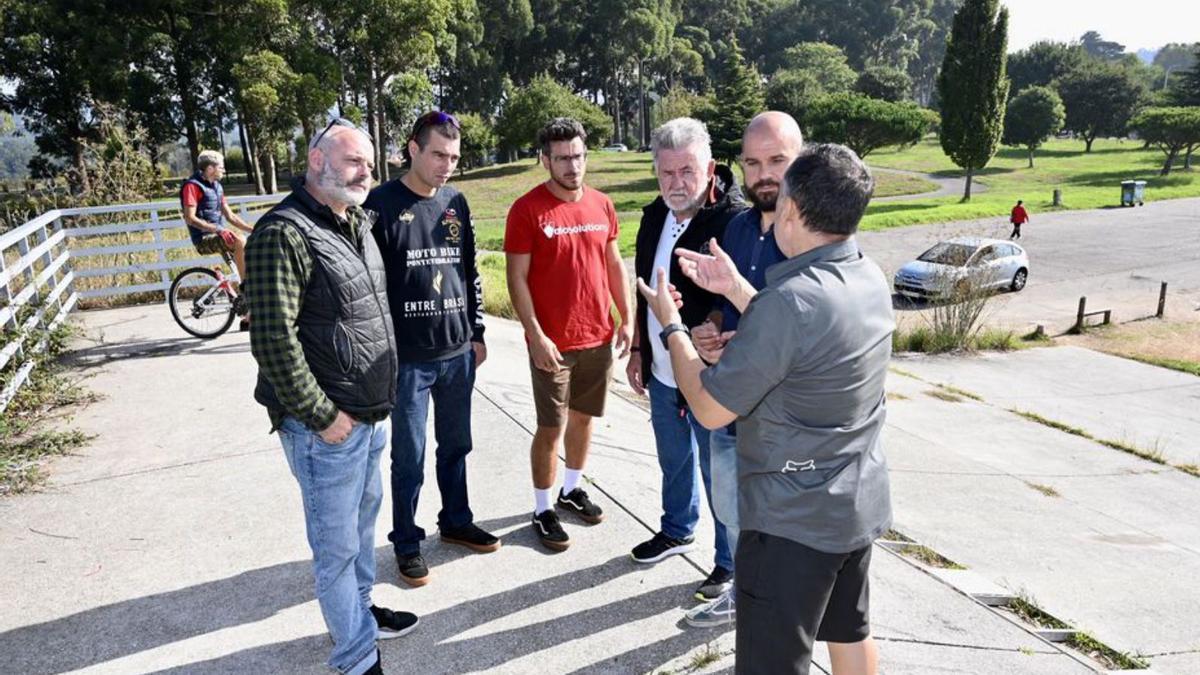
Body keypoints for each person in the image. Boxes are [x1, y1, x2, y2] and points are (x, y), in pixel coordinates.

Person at [638, 143, 894, 675]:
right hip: (854, 506)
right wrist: (734, 286)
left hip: (792, 524)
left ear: (794, 211)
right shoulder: (867, 277)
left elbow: (709, 409)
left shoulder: (790, 301)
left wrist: (671, 325)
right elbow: (807, 333)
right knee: (849, 633)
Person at [245, 119, 417, 675]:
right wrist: (323, 417)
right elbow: (273, 340)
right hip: (327, 428)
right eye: (352, 162)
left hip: (370, 416)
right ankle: (356, 657)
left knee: (362, 532)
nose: (366, 172)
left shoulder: (356, 223)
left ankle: (360, 616)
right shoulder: (283, 234)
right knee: (336, 549)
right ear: (316, 162)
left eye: (370, 162)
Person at [365, 110, 497, 588]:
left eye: (455, 157)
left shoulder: (455, 202)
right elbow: (367, 287)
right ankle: (405, 540)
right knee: (409, 454)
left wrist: (476, 332)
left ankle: (456, 520)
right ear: (413, 148)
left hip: (457, 353)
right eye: (438, 154)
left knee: (456, 445)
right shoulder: (378, 205)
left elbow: (469, 272)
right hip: (408, 361)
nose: (447, 165)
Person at [684, 111, 803, 628]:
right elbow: (723, 309)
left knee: (784, 530)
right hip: (731, 408)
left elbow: (807, 333)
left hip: (784, 422)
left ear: (801, 159)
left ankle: (780, 614)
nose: (764, 174)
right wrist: (707, 329)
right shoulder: (734, 227)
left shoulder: (814, 238)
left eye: (777, 160)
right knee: (731, 513)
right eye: (753, 162)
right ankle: (741, 592)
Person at [627, 117, 744, 603]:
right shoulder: (654, 214)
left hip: (708, 375)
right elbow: (643, 290)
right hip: (660, 368)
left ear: (710, 168)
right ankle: (677, 529)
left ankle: (729, 563)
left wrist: (714, 320)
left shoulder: (732, 221)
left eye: (687, 172)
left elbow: (739, 294)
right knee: (673, 461)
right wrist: (638, 346)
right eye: (666, 173)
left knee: (719, 474)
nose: (676, 184)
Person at [504, 117, 633, 551]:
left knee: (584, 417)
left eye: (577, 156)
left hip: (597, 335)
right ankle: (542, 509)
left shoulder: (602, 205)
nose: (572, 166)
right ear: (545, 160)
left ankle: (571, 488)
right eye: (561, 158)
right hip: (553, 344)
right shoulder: (527, 209)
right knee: (550, 427)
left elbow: (614, 265)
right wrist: (535, 335)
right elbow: (517, 279)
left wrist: (627, 317)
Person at [181, 150, 254, 285]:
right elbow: (189, 218)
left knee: (253, 245)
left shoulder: (217, 187)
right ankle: (245, 286)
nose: (224, 170)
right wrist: (218, 230)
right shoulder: (192, 186)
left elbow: (230, 216)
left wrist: (253, 229)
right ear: (210, 168)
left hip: (219, 235)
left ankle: (241, 297)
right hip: (203, 239)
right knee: (239, 240)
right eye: (221, 167)